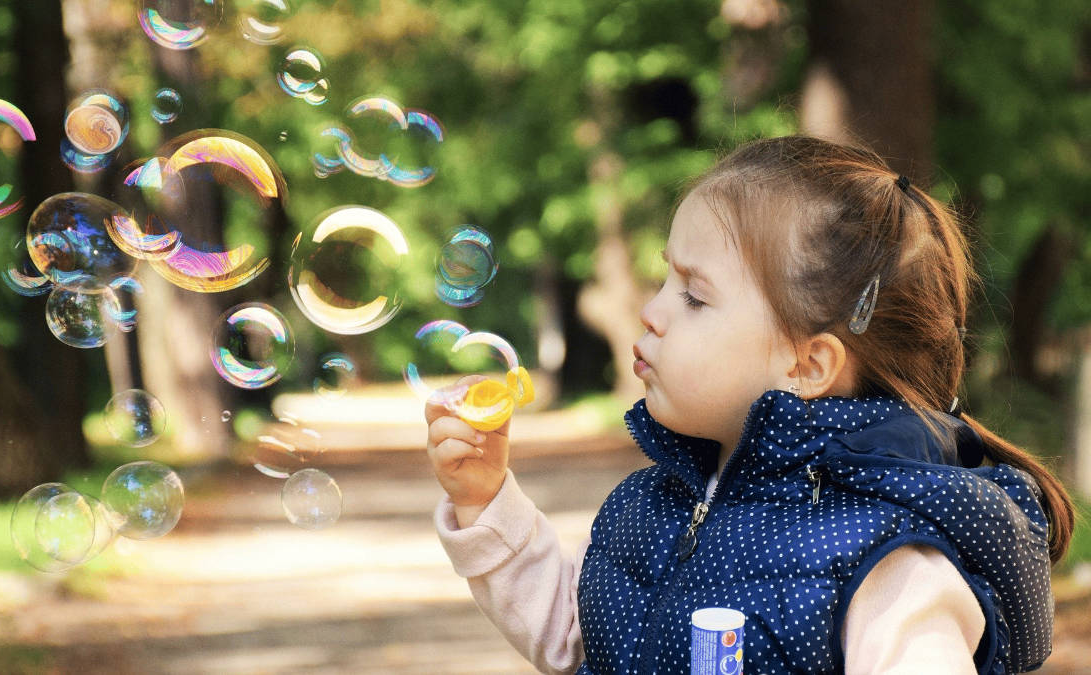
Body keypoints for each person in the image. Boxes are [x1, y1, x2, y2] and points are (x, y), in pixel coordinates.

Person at [424, 134, 1073, 674]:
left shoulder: (886, 560)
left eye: (694, 296)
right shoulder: (653, 505)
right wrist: (486, 502)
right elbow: (579, 636)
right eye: (663, 278)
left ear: (808, 364)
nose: (650, 313)